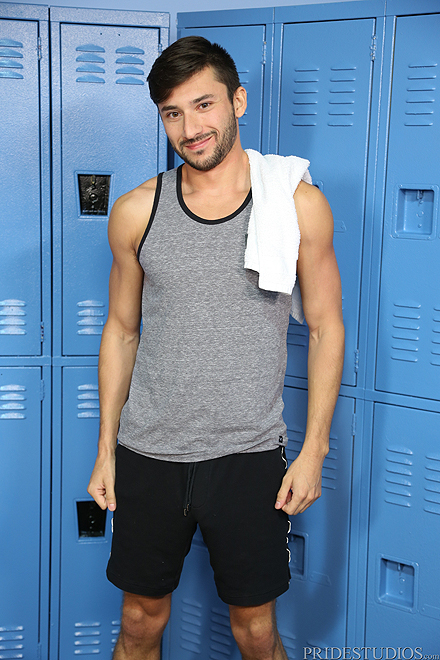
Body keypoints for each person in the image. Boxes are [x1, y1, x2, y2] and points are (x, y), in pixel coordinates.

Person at [87, 36, 345, 660]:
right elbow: (121, 330)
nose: (190, 128)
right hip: (149, 452)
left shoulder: (297, 205)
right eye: (172, 113)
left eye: (204, 105)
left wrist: (314, 450)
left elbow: (326, 328)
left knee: (254, 631)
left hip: (248, 455)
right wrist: (105, 450)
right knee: (139, 622)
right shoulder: (136, 211)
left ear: (238, 101)